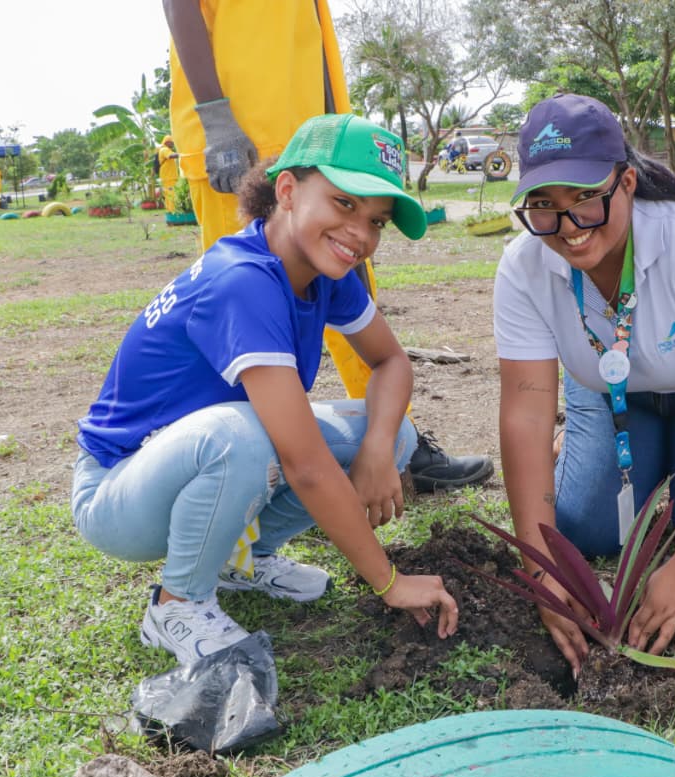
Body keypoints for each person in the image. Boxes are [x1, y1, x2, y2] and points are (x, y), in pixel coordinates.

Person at [72, 114, 459, 665]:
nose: (360, 233)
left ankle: (241, 560)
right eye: (344, 203)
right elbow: (305, 464)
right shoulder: (243, 281)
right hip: (117, 491)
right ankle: (176, 603)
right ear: (287, 191)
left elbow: (391, 361)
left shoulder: (327, 272)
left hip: (195, 460)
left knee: (393, 432)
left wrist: (377, 450)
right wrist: (389, 581)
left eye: (376, 220)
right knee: (246, 434)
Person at [494, 94, 675, 673]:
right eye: (544, 206)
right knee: (587, 530)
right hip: (612, 386)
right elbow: (526, 414)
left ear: (626, 182)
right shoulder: (523, 267)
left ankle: (667, 463)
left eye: (587, 200)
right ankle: (609, 446)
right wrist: (543, 575)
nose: (570, 226)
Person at [164, 0, 492, 494]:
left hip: (316, 143)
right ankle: (245, 473)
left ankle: (394, 446)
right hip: (242, 138)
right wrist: (214, 116)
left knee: (349, 285)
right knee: (247, 318)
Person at [157, 134, 180, 213]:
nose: (173, 144)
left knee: (168, 194)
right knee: (171, 194)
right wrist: (182, 154)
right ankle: (173, 210)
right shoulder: (164, 150)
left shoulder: (164, 149)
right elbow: (171, 156)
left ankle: (169, 210)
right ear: (167, 142)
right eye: (171, 142)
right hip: (169, 177)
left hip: (168, 177)